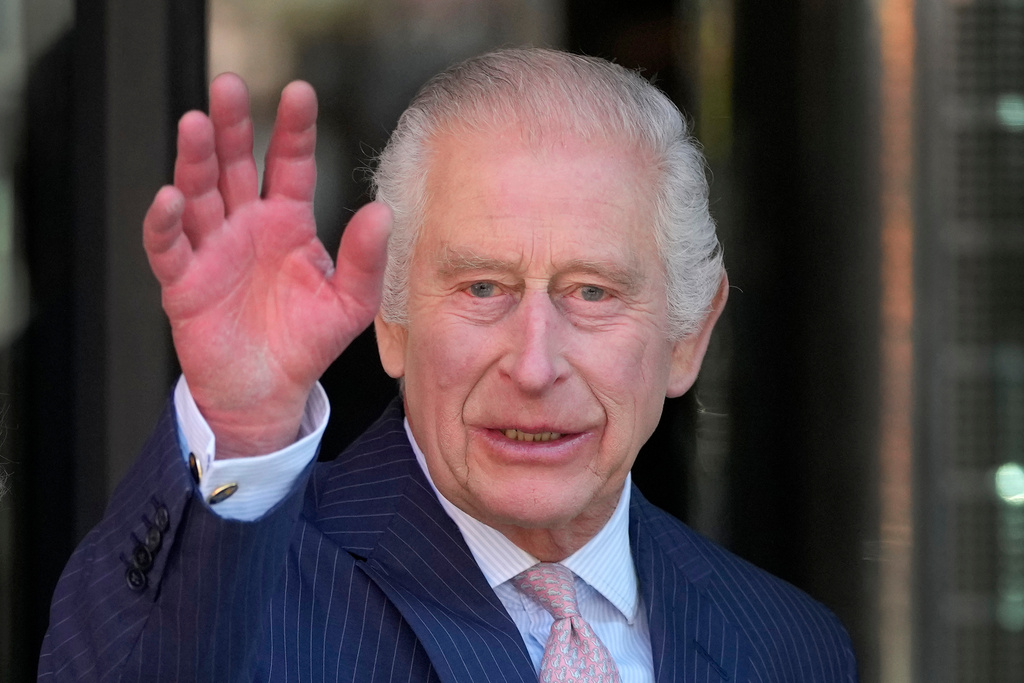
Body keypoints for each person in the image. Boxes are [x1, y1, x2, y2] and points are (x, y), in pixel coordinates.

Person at [39, 48, 857, 682]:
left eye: (594, 292)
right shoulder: (259, 594)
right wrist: (243, 428)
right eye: (482, 286)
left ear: (688, 336)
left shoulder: (786, 642)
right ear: (391, 323)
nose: (534, 365)